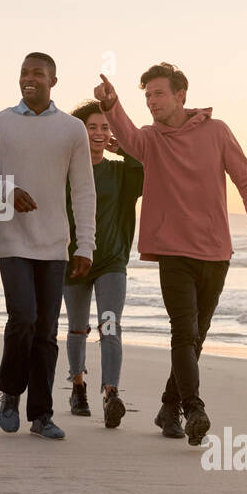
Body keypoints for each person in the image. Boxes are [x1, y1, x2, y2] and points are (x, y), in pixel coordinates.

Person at [94, 63, 247, 445]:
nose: (152, 102)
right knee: (184, 333)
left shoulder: (217, 131)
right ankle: (194, 408)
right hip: (173, 251)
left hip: (215, 251)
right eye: (147, 96)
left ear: (181, 96)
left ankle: (166, 408)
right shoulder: (149, 140)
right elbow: (126, 134)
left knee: (197, 336)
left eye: (158, 93)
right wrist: (112, 105)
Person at [0, 52, 96, 440]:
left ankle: (41, 415)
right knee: (23, 317)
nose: (29, 79)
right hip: (12, 241)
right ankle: (11, 391)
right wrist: (8, 190)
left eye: (38, 73)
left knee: (46, 330)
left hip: (54, 243)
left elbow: (83, 191)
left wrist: (85, 245)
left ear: (53, 81)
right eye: (24, 72)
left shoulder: (72, 129)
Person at [63, 99, 144, 428]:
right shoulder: (65, 171)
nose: (98, 133)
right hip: (73, 260)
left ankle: (111, 394)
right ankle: (78, 387)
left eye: (105, 127)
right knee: (77, 329)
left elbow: (144, 165)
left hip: (111, 261)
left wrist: (123, 147)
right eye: (91, 126)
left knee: (110, 326)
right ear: (79, 131)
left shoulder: (119, 171)